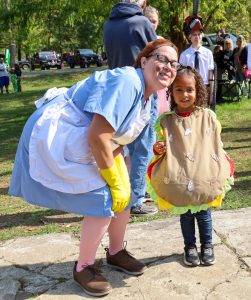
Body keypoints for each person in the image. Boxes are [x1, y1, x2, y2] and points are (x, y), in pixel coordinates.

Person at [9, 39, 179, 297]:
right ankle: (83, 267)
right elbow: (98, 136)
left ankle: (115, 252)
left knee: (128, 194)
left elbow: (126, 139)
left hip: (90, 137)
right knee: (104, 197)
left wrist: (127, 181)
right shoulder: (128, 82)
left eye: (174, 63)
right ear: (143, 61)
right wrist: (114, 179)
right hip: (61, 132)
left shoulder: (151, 96)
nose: (168, 66)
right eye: (162, 59)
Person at [147, 66, 235, 267]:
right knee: (186, 216)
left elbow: (214, 142)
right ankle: (189, 247)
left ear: (198, 91)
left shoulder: (207, 117)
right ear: (171, 91)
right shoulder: (167, 121)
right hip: (180, 178)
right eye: (178, 89)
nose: (184, 94)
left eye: (189, 89)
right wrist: (158, 148)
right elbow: (163, 145)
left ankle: (207, 246)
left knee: (204, 215)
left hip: (204, 177)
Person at [104, 0, 159, 216]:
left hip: (118, 93)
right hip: (143, 91)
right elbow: (159, 54)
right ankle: (136, 198)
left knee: (121, 146)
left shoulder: (109, 24)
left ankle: (121, 193)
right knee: (143, 146)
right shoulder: (141, 22)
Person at [180, 16, 215, 106]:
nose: (197, 37)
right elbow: (181, 75)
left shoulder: (208, 53)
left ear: (202, 35)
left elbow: (211, 74)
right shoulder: (184, 55)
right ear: (189, 37)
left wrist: (211, 94)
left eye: (199, 34)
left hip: (204, 86)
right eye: (194, 34)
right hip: (189, 87)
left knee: (203, 113)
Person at [144, 5, 170, 115]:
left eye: (154, 21)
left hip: (159, 85)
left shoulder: (162, 41)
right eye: (148, 21)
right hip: (144, 84)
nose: (151, 24)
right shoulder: (139, 39)